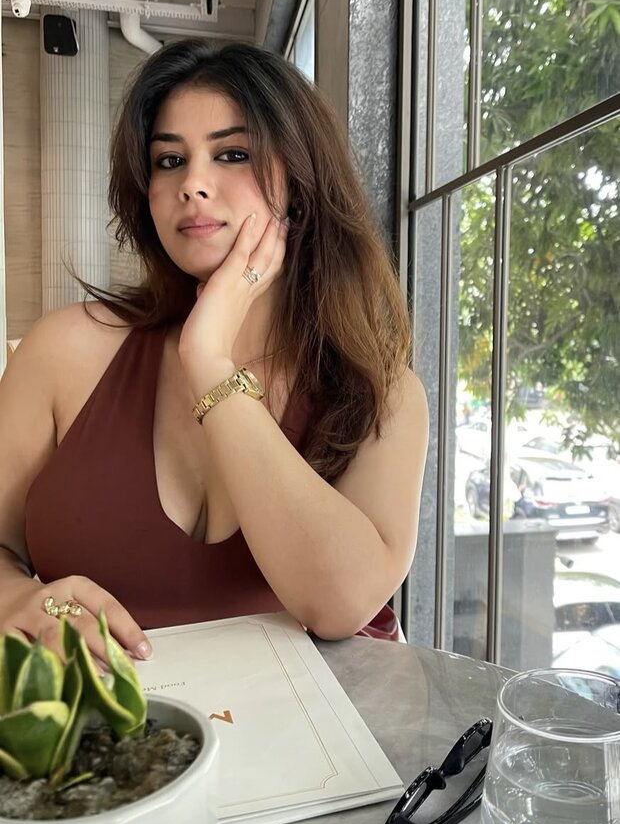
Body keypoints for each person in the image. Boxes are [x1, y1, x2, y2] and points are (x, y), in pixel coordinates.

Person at [0, 40, 428, 666]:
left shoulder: (379, 391)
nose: (192, 184)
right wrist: (15, 597)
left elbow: (339, 604)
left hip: (324, 727)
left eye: (232, 154)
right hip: (108, 722)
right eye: (169, 160)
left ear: (300, 182)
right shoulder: (61, 351)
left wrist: (209, 360)